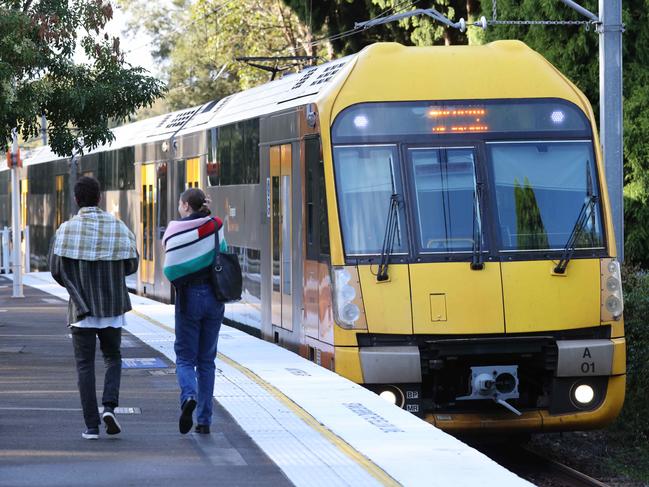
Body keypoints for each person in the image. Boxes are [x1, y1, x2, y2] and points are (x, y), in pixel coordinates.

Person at [49, 176, 138, 440]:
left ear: (77, 200)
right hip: (112, 307)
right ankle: (109, 407)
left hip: (81, 310)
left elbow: (56, 269)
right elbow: (131, 265)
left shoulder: (66, 230)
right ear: (99, 198)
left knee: (85, 366)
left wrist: (75, 287)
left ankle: (91, 427)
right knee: (113, 357)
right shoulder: (118, 227)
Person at [162, 188, 227, 435]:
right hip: (214, 298)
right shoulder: (215, 226)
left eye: (180, 203)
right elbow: (223, 252)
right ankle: (204, 421)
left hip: (189, 298)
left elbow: (171, 268)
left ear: (186, 206)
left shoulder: (175, 229)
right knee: (207, 360)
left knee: (185, 357)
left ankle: (188, 395)